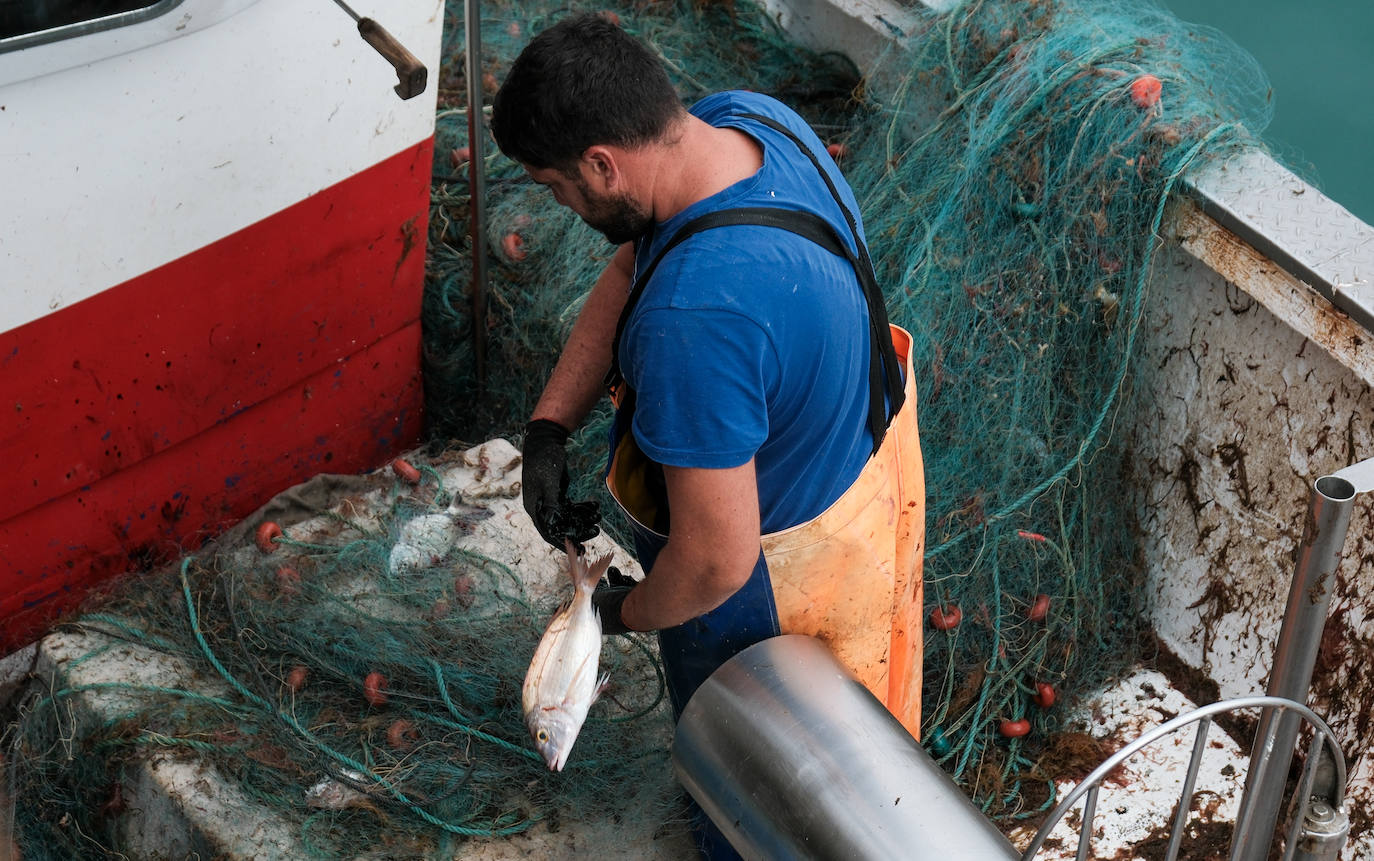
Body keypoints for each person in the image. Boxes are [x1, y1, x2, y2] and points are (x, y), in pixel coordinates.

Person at [493, 14, 925, 854]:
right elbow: (636, 262)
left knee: (765, 804)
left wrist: (613, 614)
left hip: (773, 583)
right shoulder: (744, 124)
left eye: (555, 188)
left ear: (602, 164)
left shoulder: (695, 321)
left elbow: (715, 565)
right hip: (871, 476)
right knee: (862, 762)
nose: (562, 207)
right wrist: (549, 426)